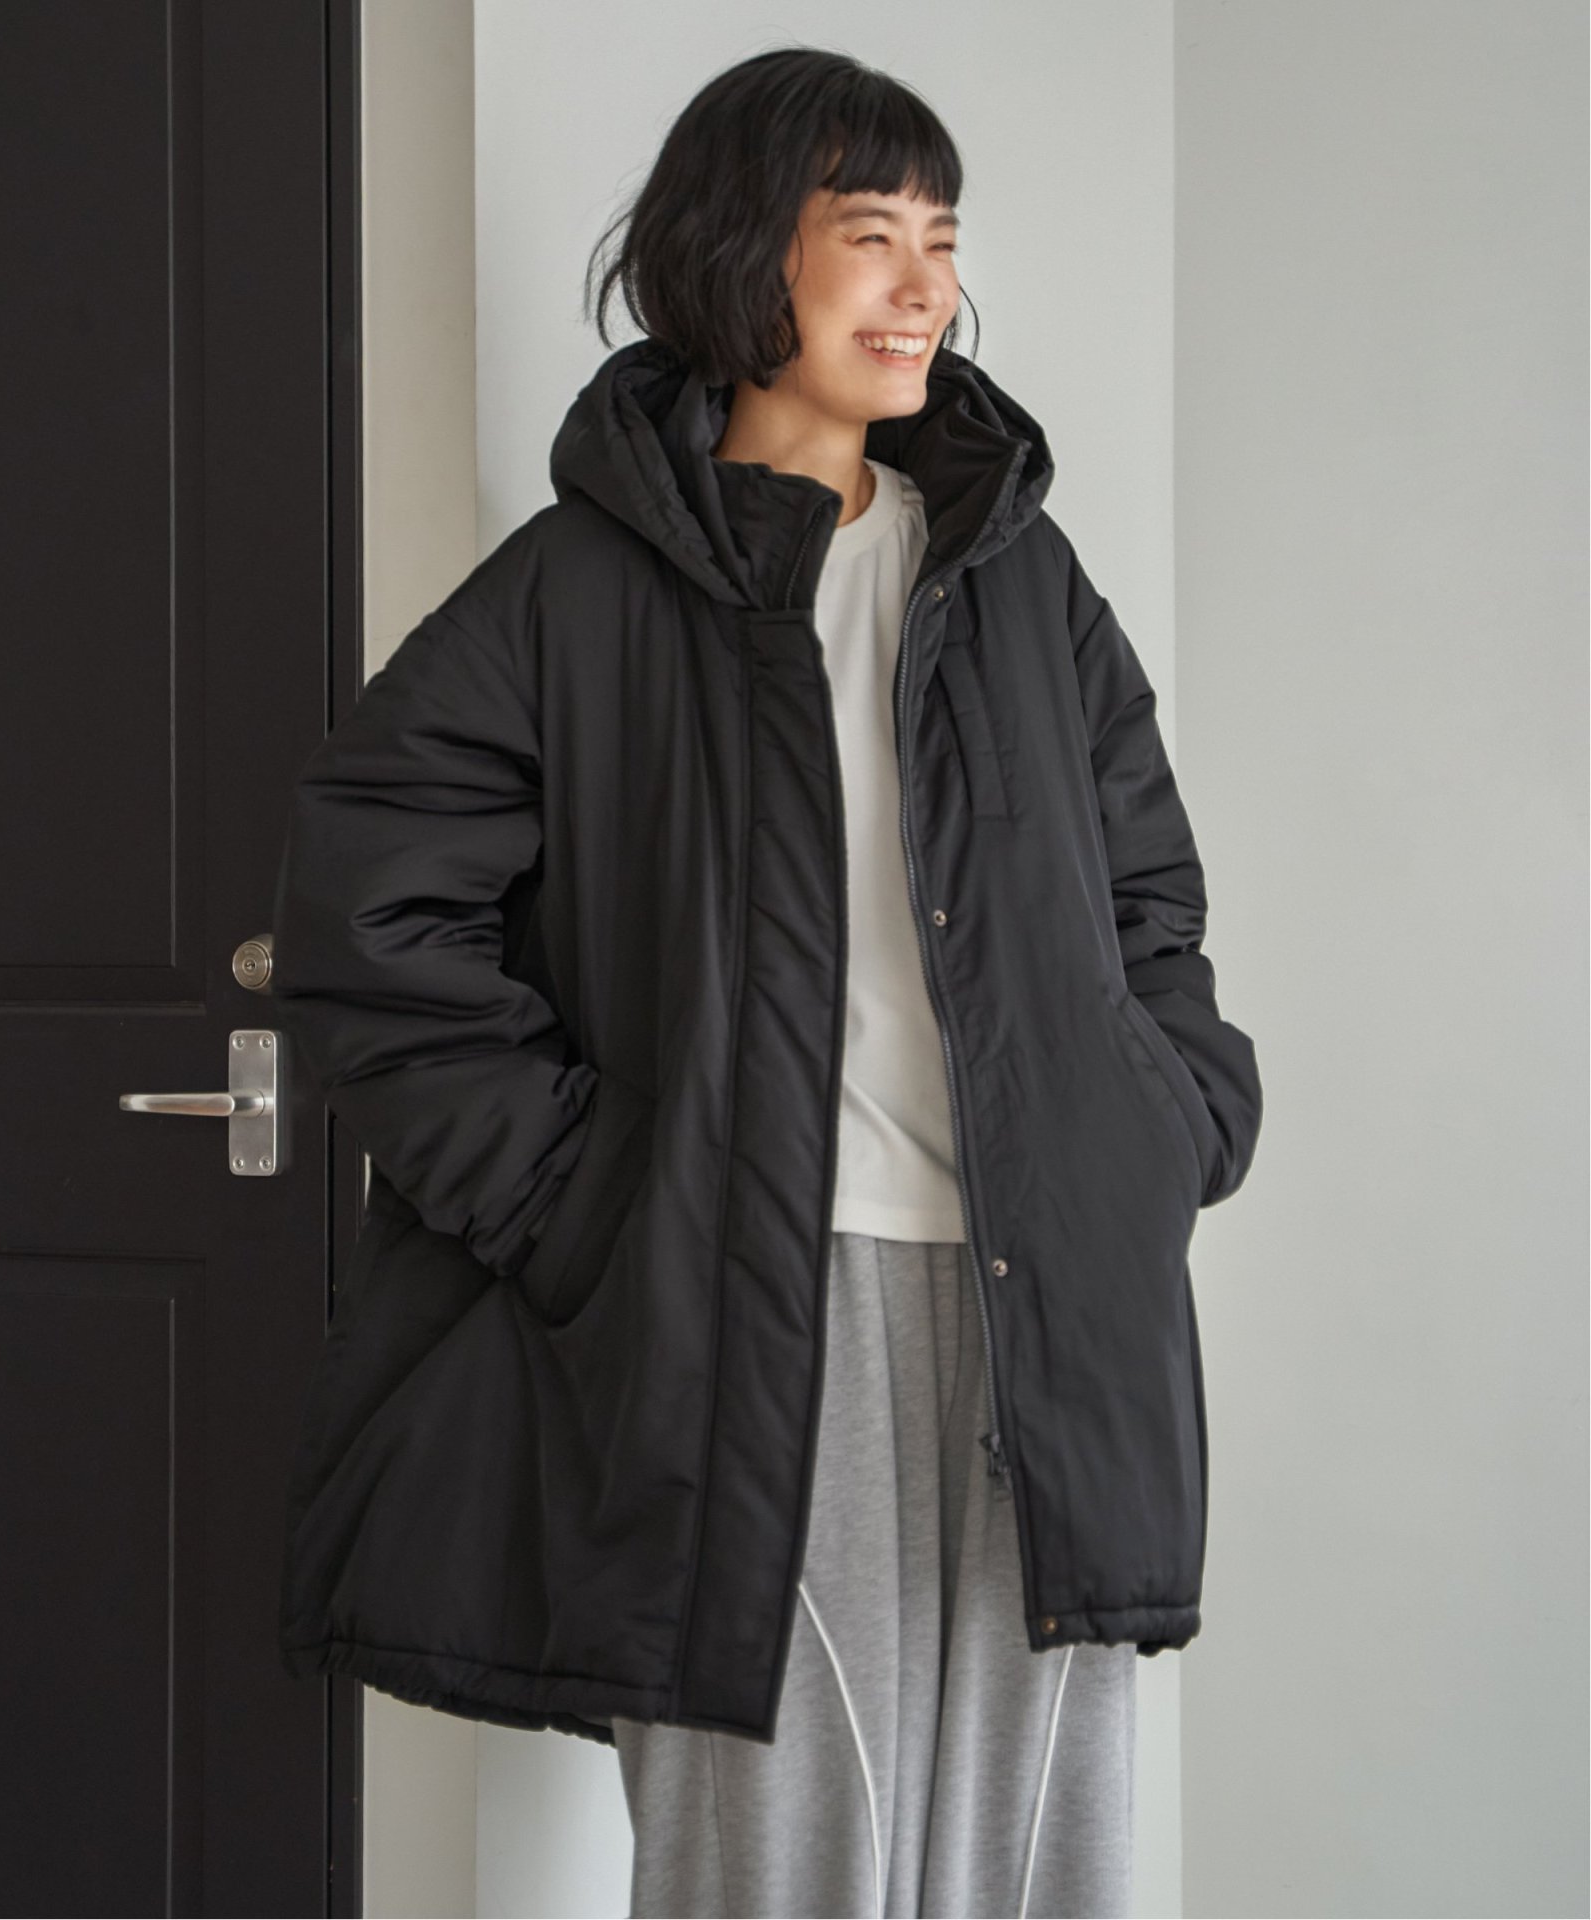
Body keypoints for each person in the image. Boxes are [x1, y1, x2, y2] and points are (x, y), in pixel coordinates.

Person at [270, 43, 1262, 1920]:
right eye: (870, 234)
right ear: (743, 254)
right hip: (751, 1307)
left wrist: (1163, 1125)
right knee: (786, 1864)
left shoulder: (1023, 580)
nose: (923, 287)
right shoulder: (580, 591)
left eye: (943, 240)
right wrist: (587, 1201)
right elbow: (367, 918)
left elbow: (1149, 904)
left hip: (1050, 1300)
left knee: (1043, 1864)